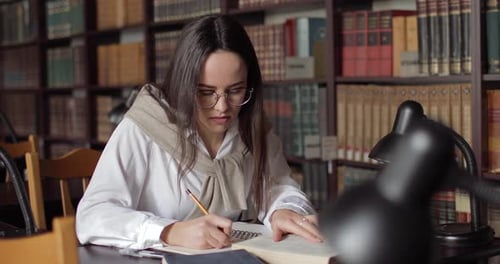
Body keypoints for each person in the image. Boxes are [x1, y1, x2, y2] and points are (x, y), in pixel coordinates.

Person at [76, 14, 323, 250]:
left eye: (236, 90)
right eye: (206, 92)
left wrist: (282, 210)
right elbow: (92, 215)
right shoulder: (145, 127)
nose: (222, 107)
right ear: (183, 84)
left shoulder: (250, 124)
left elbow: (279, 186)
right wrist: (168, 231)